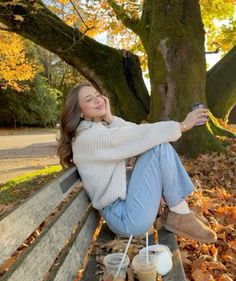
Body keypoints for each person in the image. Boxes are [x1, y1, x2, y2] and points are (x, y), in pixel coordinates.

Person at [58, 83, 217, 243]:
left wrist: (110, 118)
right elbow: (138, 135)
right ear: (79, 111)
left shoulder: (93, 131)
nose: (98, 100)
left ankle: (180, 212)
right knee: (158, 146)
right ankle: (180, 213)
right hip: (126, 219)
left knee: (155, 144)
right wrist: (182, 126)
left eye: (97, 95)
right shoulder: (91, 137)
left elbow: (132, 133)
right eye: (89, 99)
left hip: (125, 209)